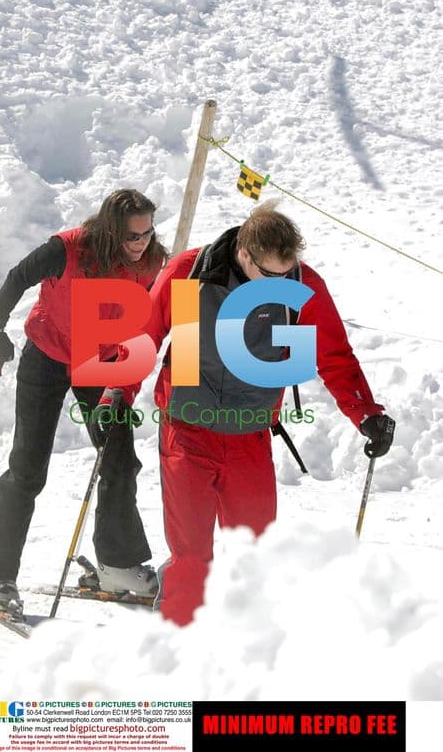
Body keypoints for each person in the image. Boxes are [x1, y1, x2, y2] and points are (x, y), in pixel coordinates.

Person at [90, 200, 396, 627]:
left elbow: (334, 356)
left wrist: (366, 413)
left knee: (254, 557)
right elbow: (144, 334)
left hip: (249, 436)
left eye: (287, 273)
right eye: (270, 275)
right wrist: (114, 394)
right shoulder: (190, 272)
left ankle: (244, 656)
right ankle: (179, 646)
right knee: (193, 559)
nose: (279, 283)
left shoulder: (300, 285)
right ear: (245, 254)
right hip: (187, 429)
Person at [0, 188, 167, 611]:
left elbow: (159, 311)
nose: (141, 244)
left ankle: (118, 562)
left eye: (148, 233)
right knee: (28, 467)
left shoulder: (153, 262)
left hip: (97, 360)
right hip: (47, 354)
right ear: (110, 232)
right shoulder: (68, 248)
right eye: (132, 236)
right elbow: (17, 278)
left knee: (118, 457)